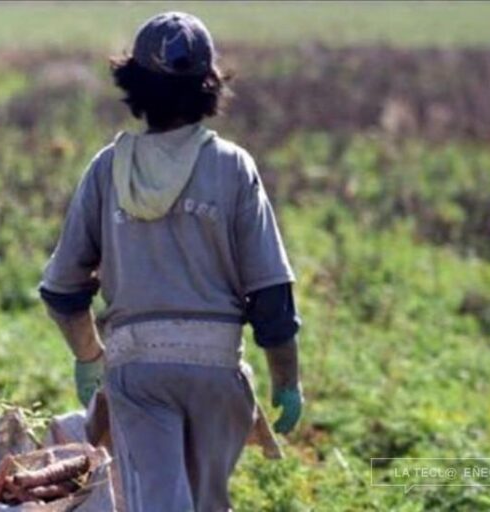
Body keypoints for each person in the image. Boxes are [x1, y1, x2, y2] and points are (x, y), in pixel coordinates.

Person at [39, 12, 303, 512]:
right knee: (206, 504)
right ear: (209, 86)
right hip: (217, 374)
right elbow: (271, 295)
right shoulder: (232, 167)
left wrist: (89, 357)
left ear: (134, 86)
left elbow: (63, 289)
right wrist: (287, 382)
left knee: (158, 503)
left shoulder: (107, 169)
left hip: (139, 374)